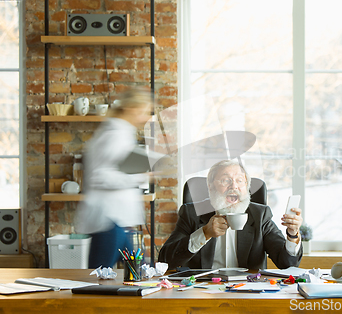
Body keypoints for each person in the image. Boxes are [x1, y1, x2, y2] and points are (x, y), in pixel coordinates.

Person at [158, 160, 303, 270]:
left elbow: (287, 264)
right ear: (210, 185)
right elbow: (165, 261)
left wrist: (292, 234)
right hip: (203, 292)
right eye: (226, 180)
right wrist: (204, 233)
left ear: (246, 186)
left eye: (240, 180)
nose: (234, 186)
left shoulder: (260, 215)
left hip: (247, 291)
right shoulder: (191, 213)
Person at [75, 87, 153, 268]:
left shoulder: (121, 131)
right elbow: (99, 176)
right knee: (101, 277)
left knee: (142, 270)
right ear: (131, 109)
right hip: (109, 220)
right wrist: (139, 177)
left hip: (118, 221)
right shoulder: (115, 134)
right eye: (144, 112)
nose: (146, 117)